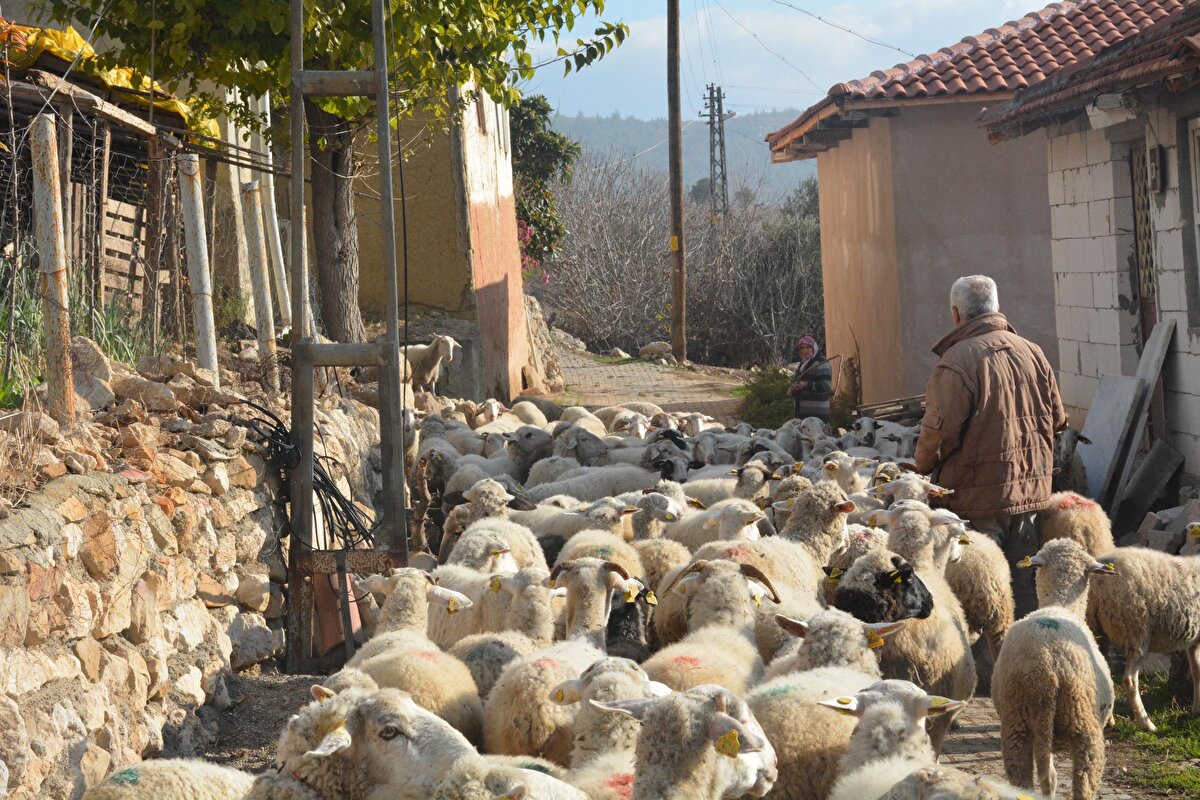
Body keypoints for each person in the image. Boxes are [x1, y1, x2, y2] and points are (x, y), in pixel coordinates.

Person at [914, 275, 1067, 618]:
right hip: (1029, 494)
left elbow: (938, 434)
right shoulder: (1033, 352)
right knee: (1024, 582)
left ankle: (986, 667)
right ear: (997, 307)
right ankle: (1028, 658)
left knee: (983, 587)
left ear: (956, 314)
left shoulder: (956, 362)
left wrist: (920, 468)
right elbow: (1058, 421)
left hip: (977, 502)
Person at [788, 336, 833, 423]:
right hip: (802, 416)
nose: (805, 350)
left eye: (808, 347)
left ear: (814, 347)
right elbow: (797, 383)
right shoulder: (802, 365)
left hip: (817, 416)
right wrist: (792, 389)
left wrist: (806, 385)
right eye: (802, 348)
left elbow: (827, 386)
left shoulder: (822, 363)